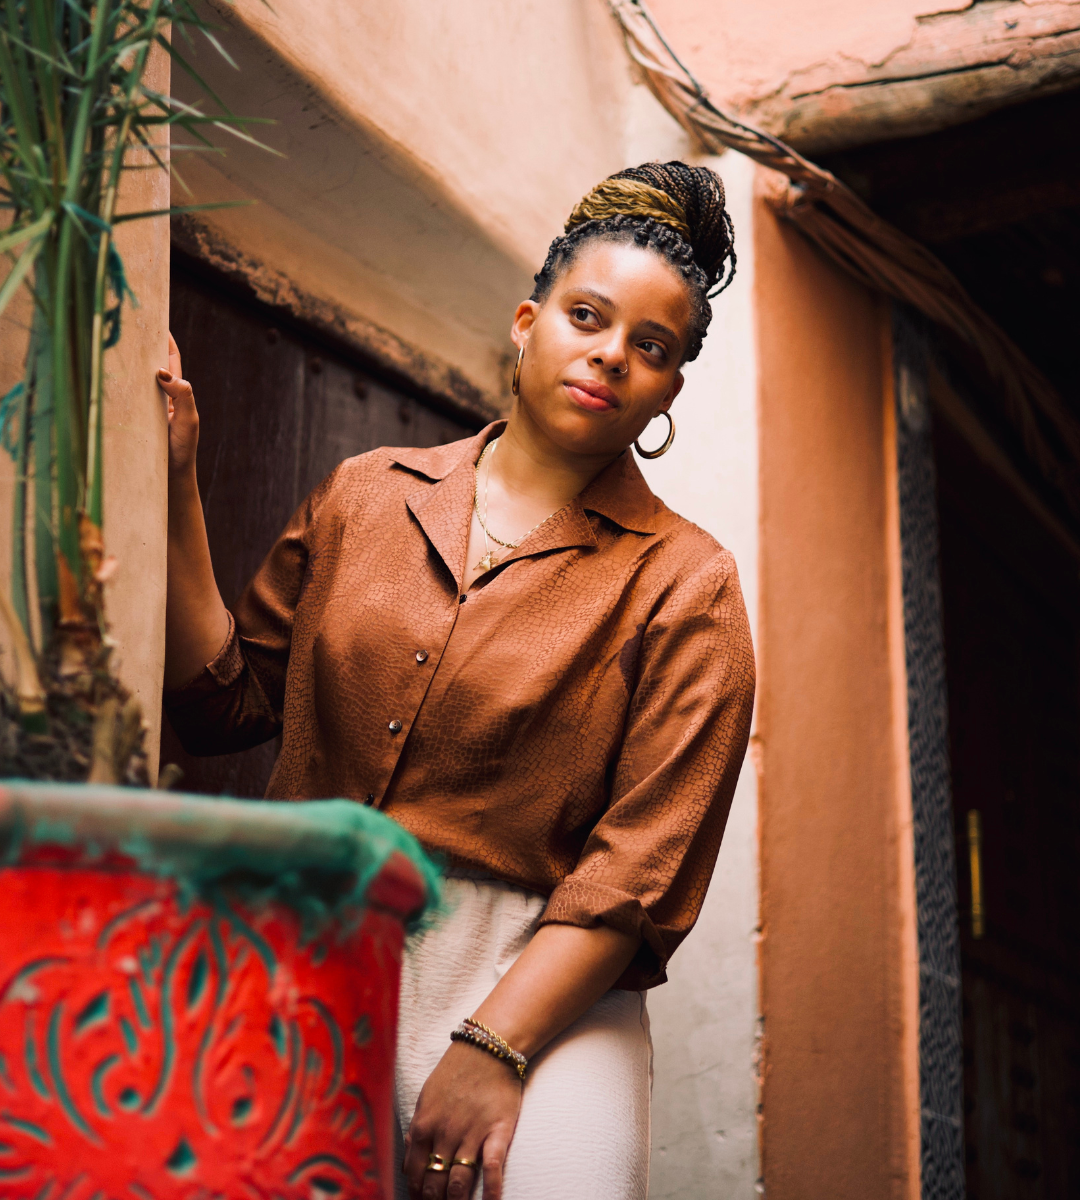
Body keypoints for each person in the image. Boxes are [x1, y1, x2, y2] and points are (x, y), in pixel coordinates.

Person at [159, 160, 755, 1200]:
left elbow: (640, 870)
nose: (611, 354)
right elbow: (225, 705)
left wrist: (495, 1044)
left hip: (543, 983)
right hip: (309, 952)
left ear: (667, 390)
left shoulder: (688, 583)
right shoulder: (363, 496)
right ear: (527, 323)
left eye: (651, 347)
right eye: (586, 316)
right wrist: (174, 485)